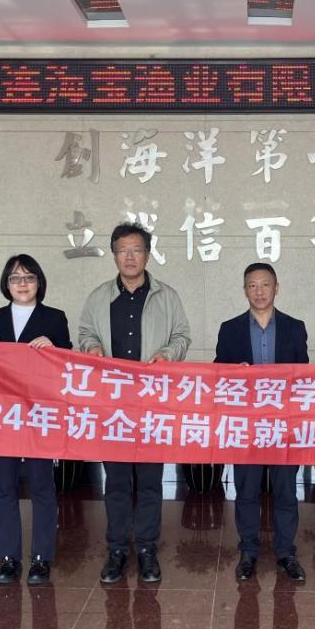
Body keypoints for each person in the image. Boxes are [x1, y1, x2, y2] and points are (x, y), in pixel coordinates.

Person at [78, 222, 191, 584]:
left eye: (137, 250)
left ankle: (146, 549)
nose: (130, 257)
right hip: (112, 406)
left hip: (152, 404)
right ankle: (116, 550)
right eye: (123, 250)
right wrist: (92, 347)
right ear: (114, 255)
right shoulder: (99, 297)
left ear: (147, 254)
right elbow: (85, 333)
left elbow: (182, 336)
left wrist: (168, 354)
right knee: (116, 482)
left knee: (149, 481)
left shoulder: (166, 297)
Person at [215, 262, 309, 582]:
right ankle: (249, 552)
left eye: (265, 285)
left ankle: (286, 553)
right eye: (252, 286)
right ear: (245, 290)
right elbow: (218, 373)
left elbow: (303, 375)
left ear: (276, 288)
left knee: (286, 491)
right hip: (246, 426)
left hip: (284, 424)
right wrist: (233, 372)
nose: (259, 291)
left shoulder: (295, 327)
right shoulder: (230, 329)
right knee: (247, 491)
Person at [0, 254, 72, 586]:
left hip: (40, 415)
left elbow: (68, 365)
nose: (22, 284)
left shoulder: (54, 318)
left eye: (29, 277)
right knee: (4, 486)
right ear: (6, 284)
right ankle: (8, 558)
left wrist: (55, 347)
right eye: (15, 278)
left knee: (42, 486)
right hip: (4, 415)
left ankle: (41, 558)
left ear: (39, 282)